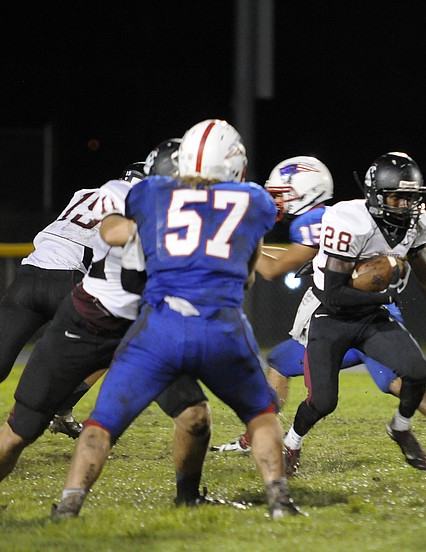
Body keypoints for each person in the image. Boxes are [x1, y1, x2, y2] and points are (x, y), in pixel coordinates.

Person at [51, 119, 301, 520]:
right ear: (235, 163)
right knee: (262, 415)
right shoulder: (253, 200)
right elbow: (250, 269)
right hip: (221, 326)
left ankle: (69, 506)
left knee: (102, 423)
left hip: (159, 326)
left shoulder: (151, 191)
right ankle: (279, 503)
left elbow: (129, 228)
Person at [0, 140, 217, 508]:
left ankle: (187, 499)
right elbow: (111, 231)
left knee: (195, 415)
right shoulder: (121, 195)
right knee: (22, 428)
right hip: (86, 322)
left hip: (143, 334)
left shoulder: (192, 218)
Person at [212, 156, 426, 458]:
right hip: (344, 309)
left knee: (401, 376)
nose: (276, 201)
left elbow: (273, 268)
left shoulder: (316, 221)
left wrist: (231, 243)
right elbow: (305, 265)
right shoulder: (340, 217)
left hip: (360, 310)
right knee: (382, 379)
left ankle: (259, 437)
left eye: (281, 194)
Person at [0, 184, 105, 457]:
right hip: (67, 282)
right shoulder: (131, 205)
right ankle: (62, 408)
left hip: (26, 278)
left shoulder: (83, 194)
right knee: (108, 348)